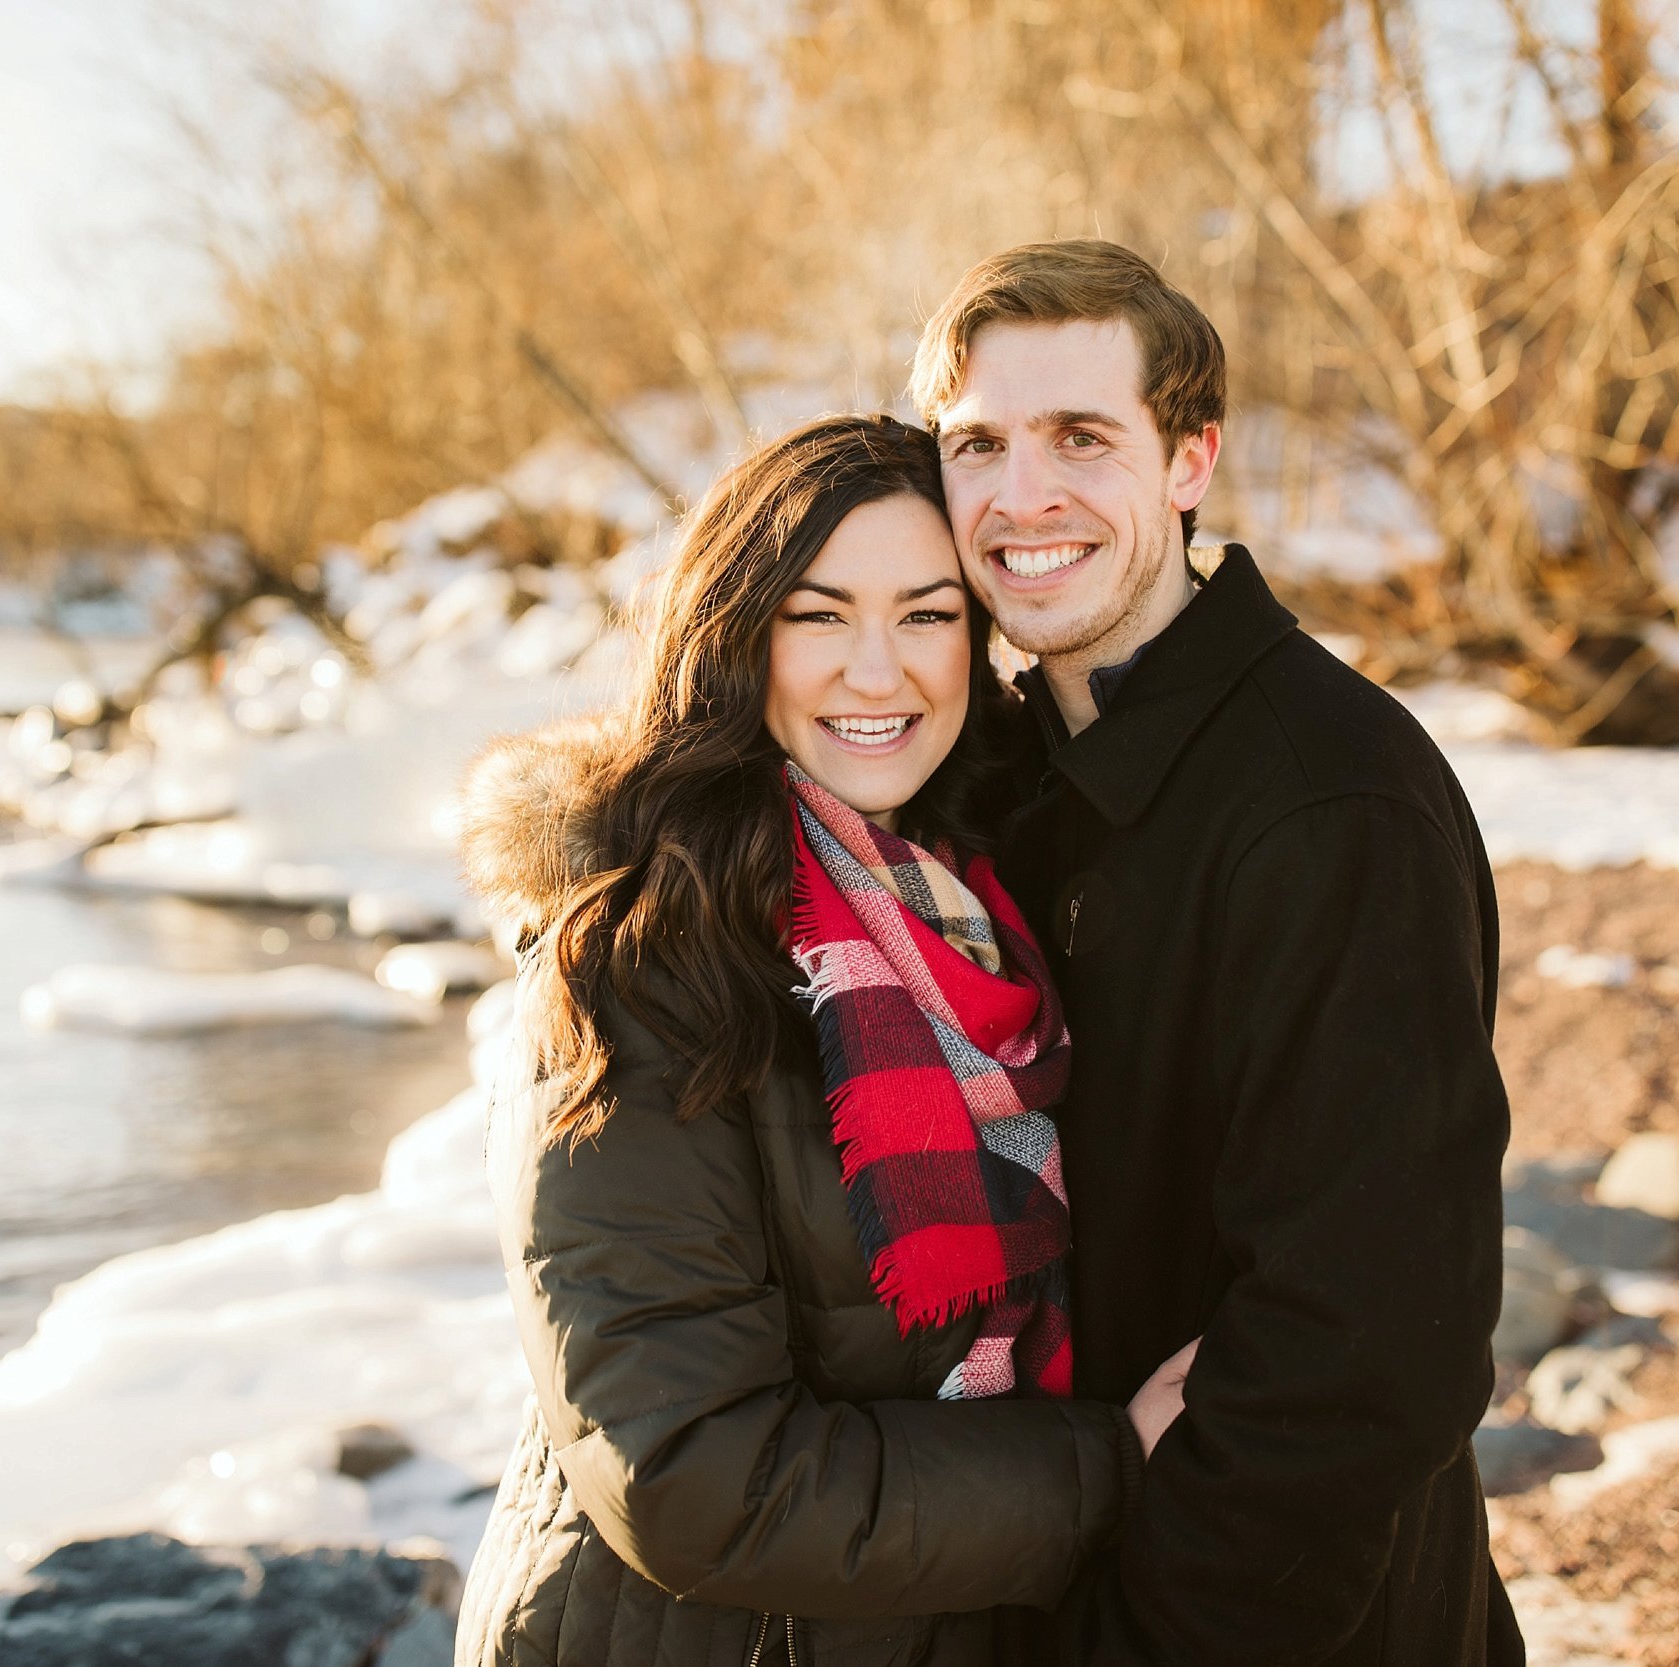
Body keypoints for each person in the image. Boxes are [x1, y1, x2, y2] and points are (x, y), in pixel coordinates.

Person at [453, 414, 1175, 1667]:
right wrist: (1105, 1466)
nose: (878, 670)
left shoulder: (986, 909)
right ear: (735, 639)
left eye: (928, 614)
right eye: (819, 614)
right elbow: (687, 1474)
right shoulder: (643, 957)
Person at [909, 239, 1524, 1665]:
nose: (1023, 495)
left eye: (1082, 437)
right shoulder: (1001, 778)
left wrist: (1143, 1638)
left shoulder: (1327, 798)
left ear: (1191, 461)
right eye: (978, 443)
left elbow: (1369, 1341)